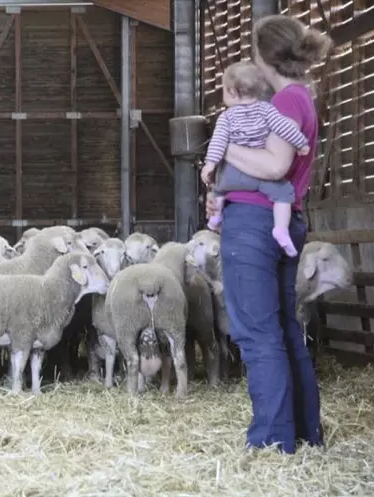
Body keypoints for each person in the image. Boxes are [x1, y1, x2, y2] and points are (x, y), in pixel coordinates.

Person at [203, 15, 332, 454]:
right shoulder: (296, 98)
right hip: (276, 220)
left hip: (256, 227)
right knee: (282, 329)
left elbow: (275, 166)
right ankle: (303, 433)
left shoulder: (285, 103)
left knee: (257, 333)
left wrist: (220, 146)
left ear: (264, 55)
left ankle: (272, 442)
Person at [201, 60, 311, 258]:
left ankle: (215, 218)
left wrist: (210, 165)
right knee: (284, 193)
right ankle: (280, 229)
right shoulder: (266, 110)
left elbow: (217, 143)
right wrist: (301, 144)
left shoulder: (226, 118)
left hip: (232, 174)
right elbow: (285, 129)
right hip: (258, 176)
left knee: (217, 188)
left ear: (233, 92)